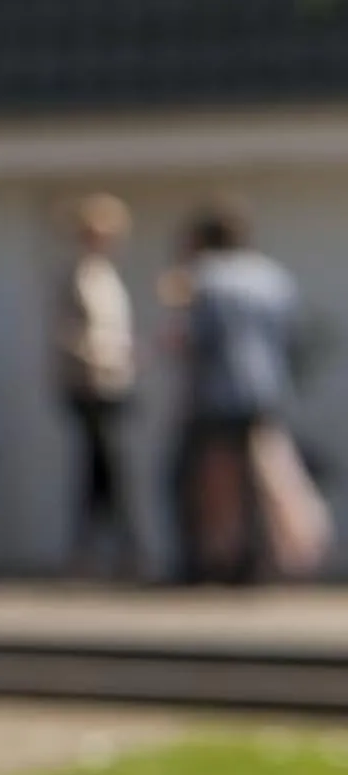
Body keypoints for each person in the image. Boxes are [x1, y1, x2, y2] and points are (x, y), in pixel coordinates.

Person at [169, 199, 300, 585]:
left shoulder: (204, 278)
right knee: (257, 478)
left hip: (217, 393)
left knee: (206, 480)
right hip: (264, 391)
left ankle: (214, 563)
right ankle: (260, 564)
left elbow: (195, 340)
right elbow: (289, 338)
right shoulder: (272, 277)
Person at [52, 194, 138, 577]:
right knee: (101, 469)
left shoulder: (108, 277)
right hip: (91, 383)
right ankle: (105, 551)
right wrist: (95, 357)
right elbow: (69, 333)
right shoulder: (79, 276)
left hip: (114, 382)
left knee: (108, 471)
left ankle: (107, 550)